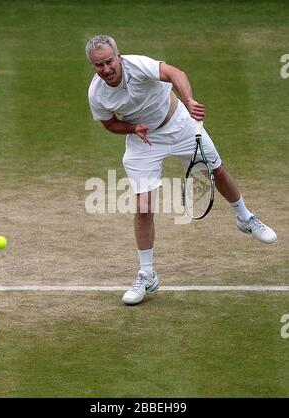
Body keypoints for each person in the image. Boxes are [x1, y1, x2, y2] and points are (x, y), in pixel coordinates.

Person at [86, 35, 277, 305]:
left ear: (119, 57)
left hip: (179, 122)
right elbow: (109, 124)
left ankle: (245, 218)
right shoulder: (97, 93)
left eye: (108, 61)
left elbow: (175, 73)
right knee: (143, 207)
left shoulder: (138, 65)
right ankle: (147, 275)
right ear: (93, 66)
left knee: (217, 172)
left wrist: (188, 100)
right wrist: (132, 128)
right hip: (144, 140)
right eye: (98, 65)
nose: (105, 69)